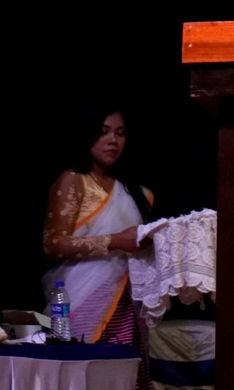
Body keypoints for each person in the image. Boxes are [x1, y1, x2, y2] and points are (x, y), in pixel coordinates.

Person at [41, 102, 154, 390]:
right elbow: (53, 244)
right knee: (83, 377)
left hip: (127, 307)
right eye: (103, 132)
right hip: (80, 302)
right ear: (87, 134)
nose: (113, 140)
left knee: (122, 377)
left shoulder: (139, 193)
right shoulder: (74, 181)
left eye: (120, 133)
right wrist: (116, 241)